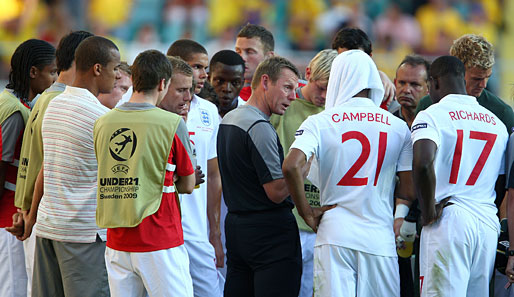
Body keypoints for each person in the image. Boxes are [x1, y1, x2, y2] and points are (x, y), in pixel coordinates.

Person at [282, 50, 414, 297]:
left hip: (335, 233)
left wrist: (306, 213)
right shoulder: (397, 127)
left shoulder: (319, 122)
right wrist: (399, 217)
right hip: (379, 236)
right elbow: (407, 189)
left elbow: (291, 166)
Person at [20, 36, 121, 297]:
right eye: (115, 68)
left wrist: (32, 217)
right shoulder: (100, 117)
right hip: (82, 234)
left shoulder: (53, 105)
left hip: (48, 228)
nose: (118, 75)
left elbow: (46, 168)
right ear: (98, 69)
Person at [94, 49, 195, 297]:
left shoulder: (103, 122)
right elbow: (188, 185)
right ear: (163, 83)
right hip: (159, 238)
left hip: (116, 240)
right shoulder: (171, 123)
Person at [412, 56, 508, 297]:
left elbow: (422, 164)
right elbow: (502, 181)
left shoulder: (432, 114)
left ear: (434, 82)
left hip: (449, 219)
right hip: (486, 223)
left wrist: (427, 211)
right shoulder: (497, 123)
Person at [9, 31, 92, 297]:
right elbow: (47, 165)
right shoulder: (60, 100)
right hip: (45, 217)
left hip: (36, 214)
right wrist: (30, 215)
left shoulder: (45, 98)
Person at [217, 56, 302, 297]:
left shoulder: (229, 119)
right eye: (287, 87)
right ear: (265, 81)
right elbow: (275, 192)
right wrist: (303, 167)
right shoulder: (259, 126)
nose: (293, 96)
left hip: (236, 228)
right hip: (269, 233)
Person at [269, 48, 338, 297]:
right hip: (288, 220)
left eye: (331, 88)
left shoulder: (339, 114)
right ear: (307, 74)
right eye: (320, 87)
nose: (324, 95)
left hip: (325, 222)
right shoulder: (284, 106)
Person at [167, 40, 225, 296]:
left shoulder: (209, 111)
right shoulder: (153, 110)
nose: (204, 75)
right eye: (197, 67)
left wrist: (214, 231)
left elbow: (213, 175)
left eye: (205, 67)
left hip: (197, 229)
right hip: (162, 231)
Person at [0, 38, 57, 297]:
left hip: (13, 212)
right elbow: (2, 166)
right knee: (14, 287)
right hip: (8, 215)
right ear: (33, 72)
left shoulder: (15, 102)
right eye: (52, 72)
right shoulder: (14, 112)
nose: (56, 79)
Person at [416, 34, 514, 134]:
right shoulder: (427, 105)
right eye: (476, 79)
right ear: (455, 70)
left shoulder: (502, 112)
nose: (483, 85)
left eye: (487, 77)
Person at [392, 54, 430, 297]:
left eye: (415, 85)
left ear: (429, 87)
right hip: (390, 221)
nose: (407, 90)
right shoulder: (384, 123)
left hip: (429, 221)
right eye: (401, 83)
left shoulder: (438, 124)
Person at [330, 27, 396, 110]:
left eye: (357, 60)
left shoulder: (386, 94)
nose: (350, 66)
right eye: (343, 59)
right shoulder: (321, 88)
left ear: (370, 58)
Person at [235, 23, 274, 101]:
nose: (242, 57)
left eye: (250, 52)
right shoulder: (227, 94)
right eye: (238, 51)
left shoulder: (294, 90)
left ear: (269, 57)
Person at [208, 50, 245, 118]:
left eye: (235, 83)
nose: (227, 89)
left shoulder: (250, 117)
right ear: (208, 79)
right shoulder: (193, 112)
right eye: (220, 81)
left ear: (242, 83)